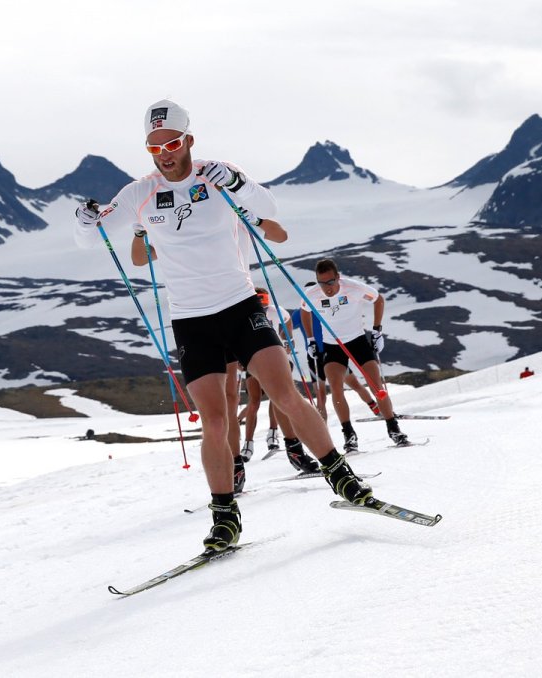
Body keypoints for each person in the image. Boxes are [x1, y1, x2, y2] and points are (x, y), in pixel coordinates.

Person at [76, 99, 373, 554]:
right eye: (154, 146)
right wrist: (84, 219)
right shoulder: (140, 193)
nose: (164, 153)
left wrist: (238, 183)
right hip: (191, 320)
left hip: (239, 305)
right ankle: (225, 516)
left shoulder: (216, 173)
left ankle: (341, 475)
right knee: (214, 421)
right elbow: (92, 234)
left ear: (188, 140)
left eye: (172, 143)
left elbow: (269, 208)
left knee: (285, 393)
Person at [131, 224, 248, 492]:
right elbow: (140, 259)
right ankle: (234, 464)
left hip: (233, 309)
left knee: (232, 399)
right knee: (220, 410)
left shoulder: (216, 226)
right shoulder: (174, 237)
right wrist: (139, 233)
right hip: (197, 321)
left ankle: (243, 460)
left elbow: (275, 232)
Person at [300, 258, 408, 453]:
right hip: (333, 345)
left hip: (357, 341)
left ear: (338, 278)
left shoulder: (353, 288)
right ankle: (349, 434)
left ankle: (393, 428)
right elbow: (304, 311)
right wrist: (310, 340)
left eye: (331, 282)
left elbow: (378, 299)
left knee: (376, 385)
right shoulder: (312, 293)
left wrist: (377, 331)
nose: (327, 288)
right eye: (322, 283)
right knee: (336, 387)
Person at [239, 288, 318, 473]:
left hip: (276, 359)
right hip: (252, 360)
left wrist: (286, 342)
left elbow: (288, 329)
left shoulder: (278, 311)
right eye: (261, 305)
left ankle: (274, 435)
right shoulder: (245, 313)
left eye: (265, 305)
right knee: (254, 401)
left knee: (278, 397)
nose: (263, 308)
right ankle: (248, 444)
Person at [293, 283, 380, 421]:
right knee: (321, 395)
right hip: (315, 356)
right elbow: (287, 327)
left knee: (354, 384)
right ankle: (323, 429)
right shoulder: (300, 313)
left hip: (333, 351)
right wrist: (287, 339)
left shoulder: (324, 305)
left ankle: (376, 408)